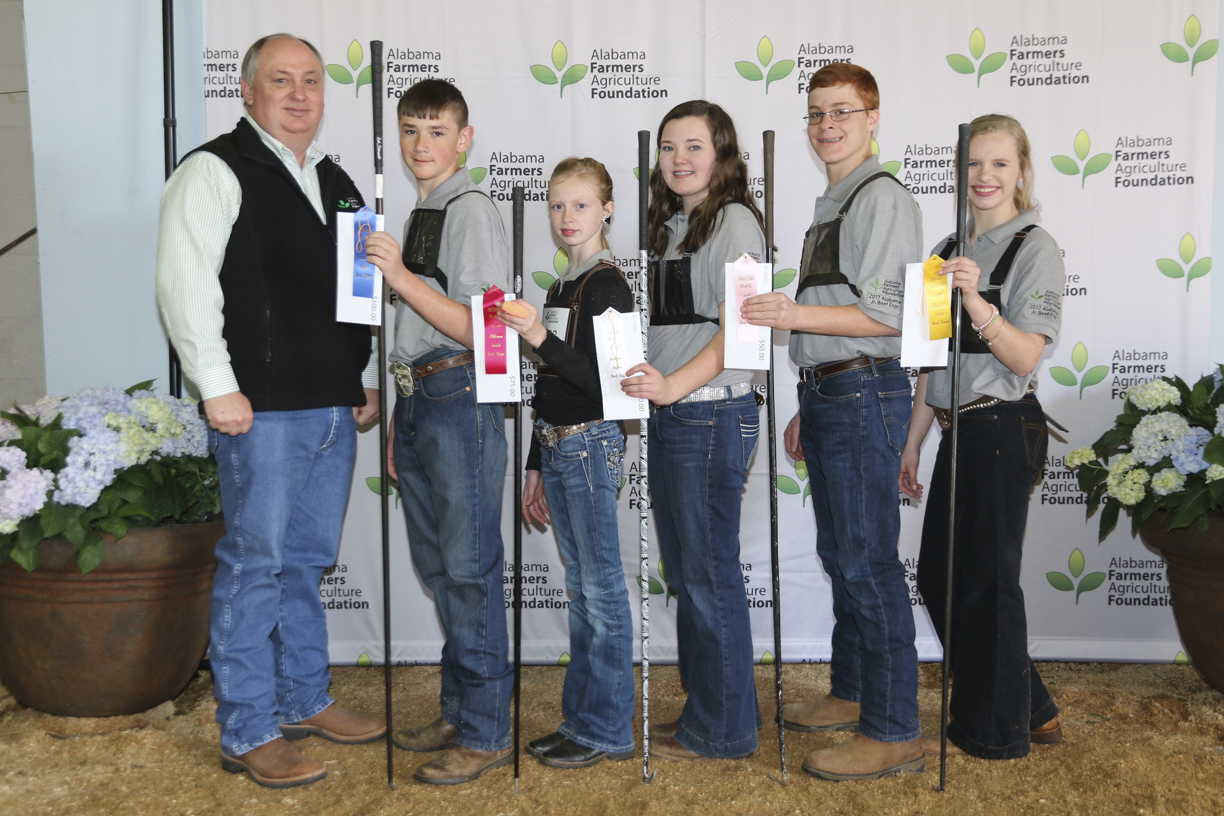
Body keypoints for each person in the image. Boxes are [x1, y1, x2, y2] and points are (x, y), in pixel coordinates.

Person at [155, 33, 384, 789]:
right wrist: (217, 385)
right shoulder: (214, 169)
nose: (298, 94)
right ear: (247, 92)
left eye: (311, 81)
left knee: (304, 565)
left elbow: (362, 295)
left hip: (329, 410)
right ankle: (248, 728)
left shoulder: (339, 180)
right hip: (256, 411)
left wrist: (364, 378)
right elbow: (185, 284)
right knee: (256, 567)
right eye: (280, 80)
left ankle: (303, 698)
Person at [742, 63, 923, 781]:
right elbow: (843, 306)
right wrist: (809, 390)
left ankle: (894, 728)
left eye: (843, 111)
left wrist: (794, 318)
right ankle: (851, 692)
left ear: (873, 117)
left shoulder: (881, 198)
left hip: (864, 391)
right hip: (832, 393)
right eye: (817, 112)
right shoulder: (834, 199)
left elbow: (888, 315)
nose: (828, 124)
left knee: (869, 564)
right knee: (844, 556)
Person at [899, 113, 1064, 760]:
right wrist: (914, 442)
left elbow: (1024, 358)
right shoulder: (946, 247)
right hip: (955, 429)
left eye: (998, 163)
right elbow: (929, 358)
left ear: (1021, 169)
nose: (985, 176)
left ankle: (994, 733)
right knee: (942, 580)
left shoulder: (1036, 247)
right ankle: (1034, 707)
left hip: (1004, 426)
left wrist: (978, 303)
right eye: (973, 164)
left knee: (989, 584)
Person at [364, 78, 513, 786]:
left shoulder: (472, 208)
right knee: (440, 568)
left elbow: (484, 328)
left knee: (468, 566)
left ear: (464, 138)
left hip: (459, 392)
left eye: (435, 130)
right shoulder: (428, 207)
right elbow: (413, 326)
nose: (420, 144)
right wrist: (400, 414)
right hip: (419, 396)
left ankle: (485, 732)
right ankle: (461, 709)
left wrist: (398, 275)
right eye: (410, 130)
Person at [620, 100, 765, 762]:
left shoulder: (734, 221)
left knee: (707, 575)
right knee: (691, 574)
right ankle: (710, 709)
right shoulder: (674, 226)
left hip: (709, 412)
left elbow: (744, 331)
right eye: (670, 147)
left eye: (694, 147)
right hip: (679, 414)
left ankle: (728, 730)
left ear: (723, 155)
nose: (679, 158)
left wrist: (674, 387)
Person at [498, 157, 637, 769]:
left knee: (600, 590)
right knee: (583, 590)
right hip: (558, 444)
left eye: (580, 205)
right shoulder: (560, 287)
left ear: (607, 209)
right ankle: (583, 719)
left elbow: (614, 385)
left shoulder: (607, 283)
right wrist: (533, 460)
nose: (566, 217)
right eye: (557, 205)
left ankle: (607, 728)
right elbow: (552, 383)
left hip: (589, 443)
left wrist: (537, 338)